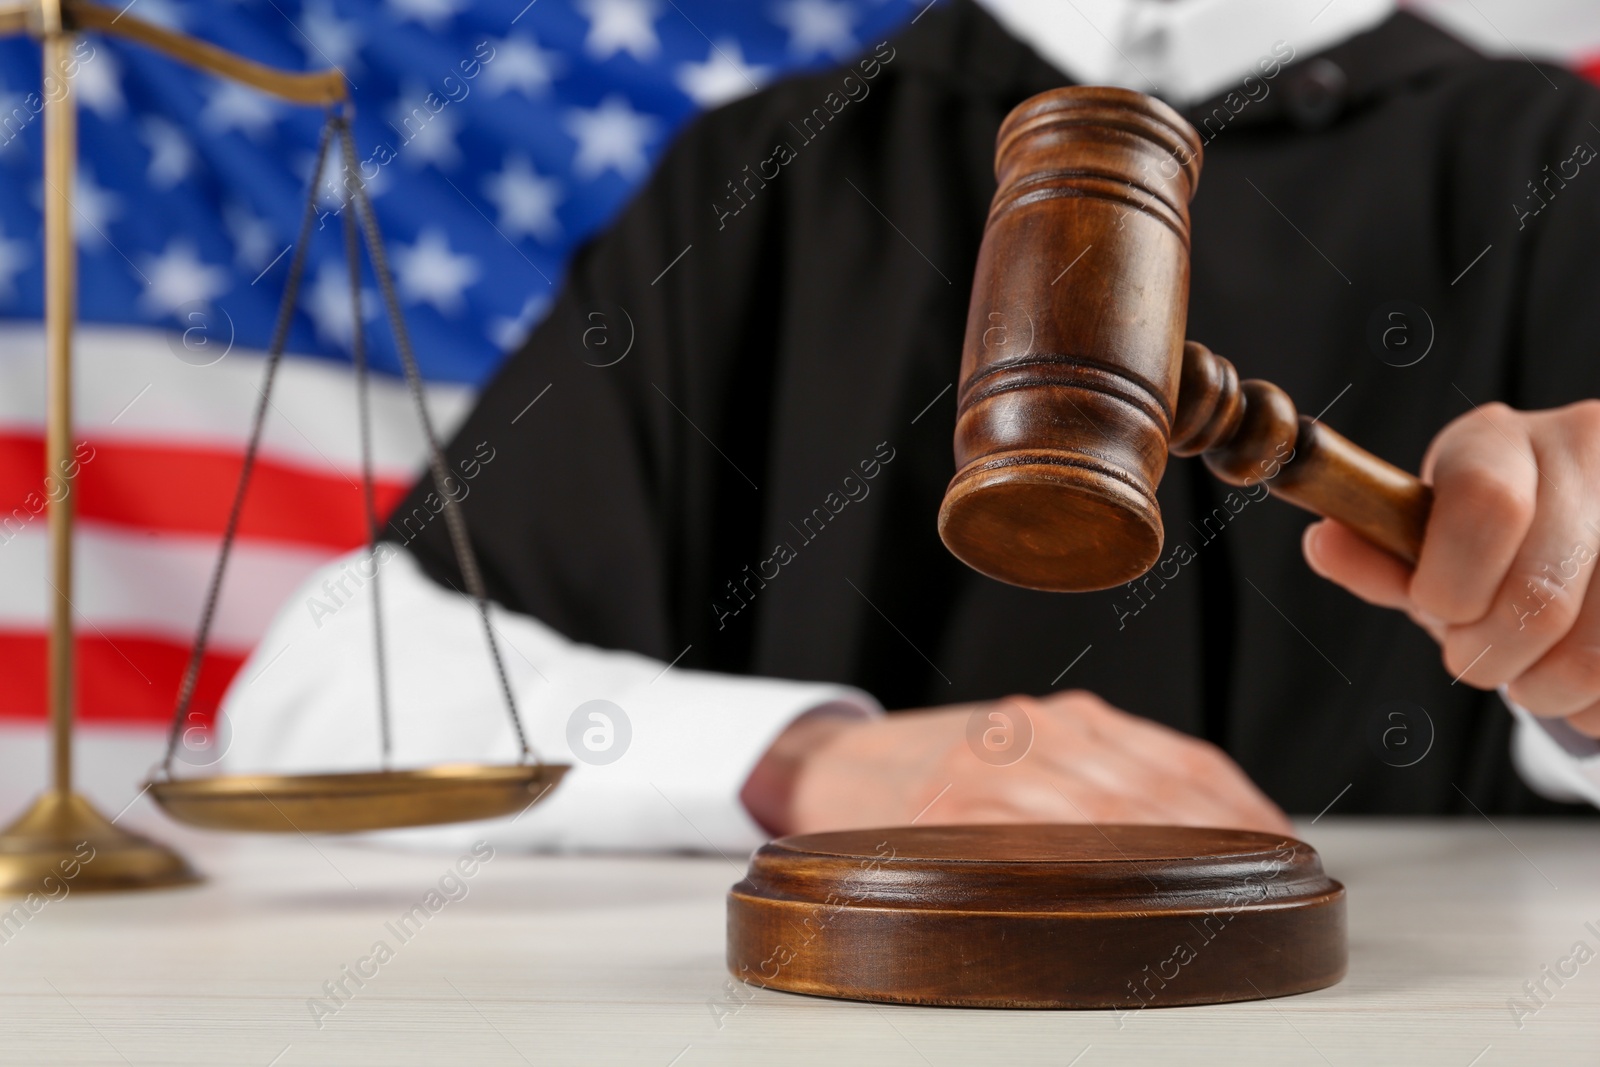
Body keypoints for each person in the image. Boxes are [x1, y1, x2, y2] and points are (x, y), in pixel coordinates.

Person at [220, 0, 1600, 851]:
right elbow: (320, 700)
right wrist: (794, 760)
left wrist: (1583, 673)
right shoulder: (773, 171)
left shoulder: (1557, 165)